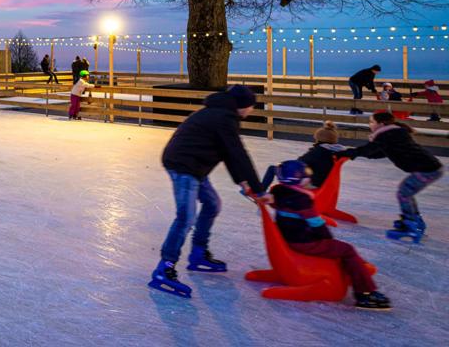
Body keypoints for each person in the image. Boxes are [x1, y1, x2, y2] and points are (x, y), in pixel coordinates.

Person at [149, 85, 266, 299]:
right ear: (243, 105)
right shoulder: (224, 117)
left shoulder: (221, 114)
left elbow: (230, 154)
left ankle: (198, 253)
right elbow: (238, 153)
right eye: (251, 107)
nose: (251, 111)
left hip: (195, 166)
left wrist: (244, 182)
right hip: (184, 165)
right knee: (186, 217)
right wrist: (258, 188)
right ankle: (164, 268)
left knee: (212, 204)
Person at [269, 160, 391, 310]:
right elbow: (316, 223)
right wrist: (327, 239)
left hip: (290, 238)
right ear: (298, 178)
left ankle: (358, 269)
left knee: (340, 250)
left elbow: (274, 203)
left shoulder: (277, 192)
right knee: (347, 249)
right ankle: (365, 293)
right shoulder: (302, 200)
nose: (310, 178)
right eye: (306, 174)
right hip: (305, 242)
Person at [342, 111, 443, 241]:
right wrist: (355, 154)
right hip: (429, 167)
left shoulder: (387, 134)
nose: (369, 125)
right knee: (406, 193)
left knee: (404, 193)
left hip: (427, 168)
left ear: (381, 124)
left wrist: (347, 153)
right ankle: (414, 220)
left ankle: (410, 225)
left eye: (372, 122)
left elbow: (368, 149)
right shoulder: (393, 132)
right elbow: (380, 153)